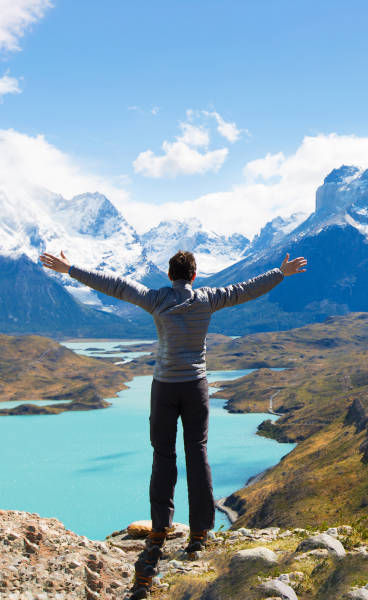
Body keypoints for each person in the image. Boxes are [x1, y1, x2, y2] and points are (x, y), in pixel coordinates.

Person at [39, 249, 307, 599]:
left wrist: (71, 269)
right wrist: (280, 272)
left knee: (163, 455)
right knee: (197, 453)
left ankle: (161, 527)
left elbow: (116, 286)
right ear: (194, 276)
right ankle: (199, 533)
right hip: (196, 387)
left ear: (170, 276)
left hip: (164, 387)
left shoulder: (156, 299)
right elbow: (247, 289)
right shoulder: (209, 298)